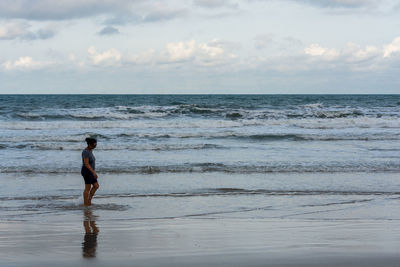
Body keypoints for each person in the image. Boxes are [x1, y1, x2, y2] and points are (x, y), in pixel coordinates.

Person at [81, 137, 99, 206]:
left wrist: (93, 172)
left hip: (91, 171)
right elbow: (86, 164)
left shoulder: (90, 150)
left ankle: (89, 200)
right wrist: (93, 172)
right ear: (90, 145)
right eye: (94, 145)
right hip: (87, 171)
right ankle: (86, 204)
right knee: (87, 188)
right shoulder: (85, 152)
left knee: (96, 186)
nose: (95, 146)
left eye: (96, 144)